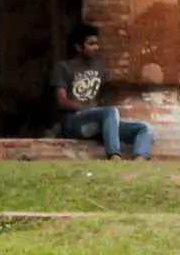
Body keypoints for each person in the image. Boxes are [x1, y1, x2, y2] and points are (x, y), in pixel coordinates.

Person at [53, 21, 154, 157]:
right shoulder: (63, 68)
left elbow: (107, 95)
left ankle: (140, 158)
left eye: (97, 43)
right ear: (78, 47)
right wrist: (86, 108)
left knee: (143, 128)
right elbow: (62, 101)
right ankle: (114, 155)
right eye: (91, 44)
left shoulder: (99, 66)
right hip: (75, 122)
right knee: (110, 112)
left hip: (99, 121)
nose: (96, 47)